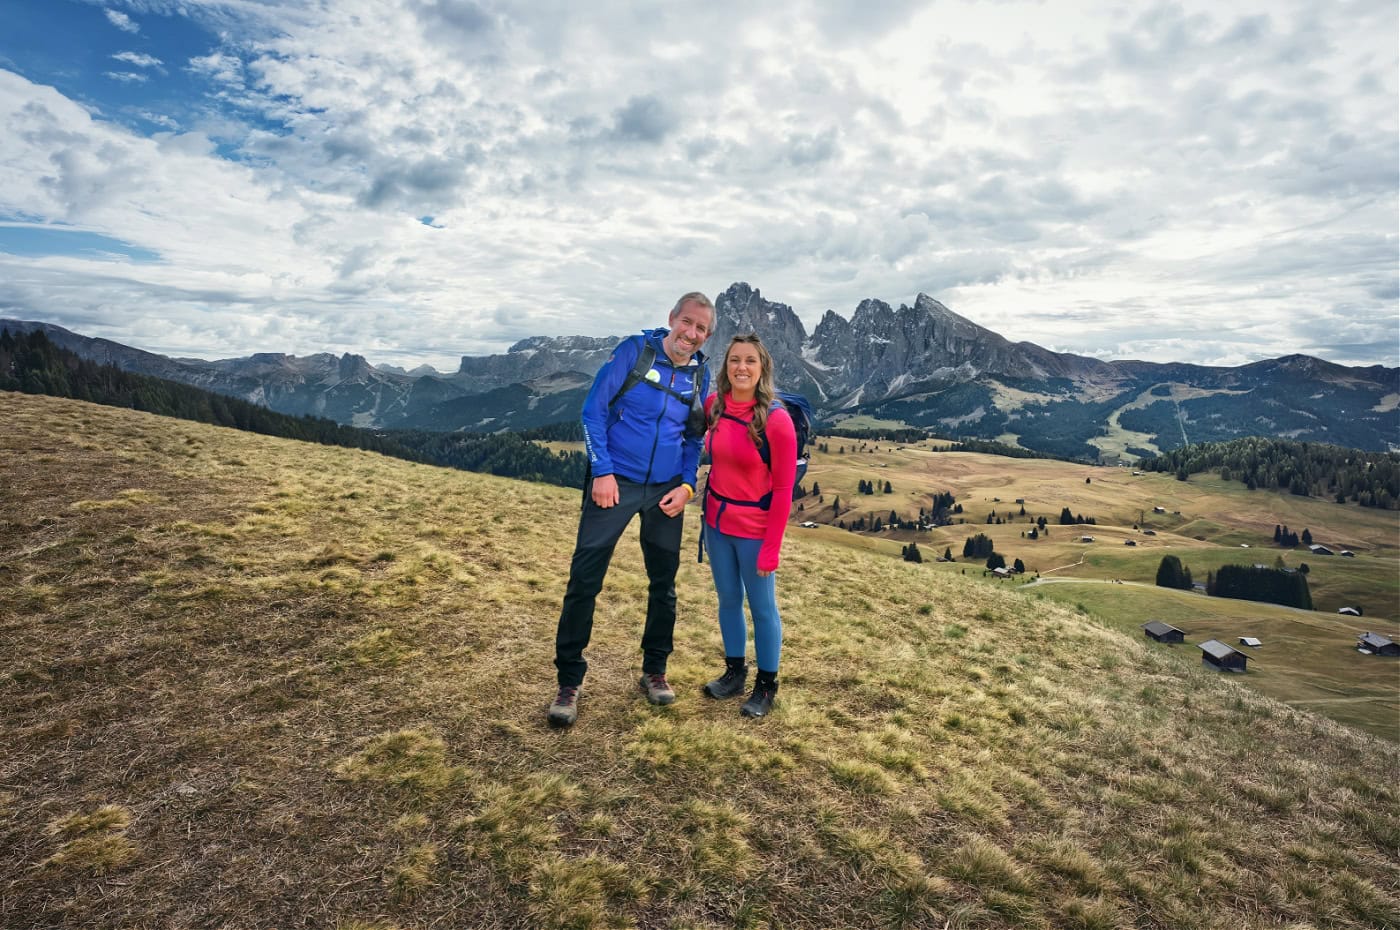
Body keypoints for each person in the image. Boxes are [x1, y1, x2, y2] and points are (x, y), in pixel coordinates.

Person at [547, 292, 714, 727]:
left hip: (664, 491)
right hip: (615, 483)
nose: (692, 334)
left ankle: (654, 672)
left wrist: (685, 484)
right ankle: (569, 680)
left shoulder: (701, 373)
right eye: (688, 323)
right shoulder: (634, 352)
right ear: (672, 319)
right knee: (585, 578)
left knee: (664, 585)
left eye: (701, 329)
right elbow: (592, 410)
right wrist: (602, 471)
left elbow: (695, 438)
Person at [699, 334, 795, 718]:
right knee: (727, 601)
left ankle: (767, 687)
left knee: (763, 609)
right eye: (734, 360)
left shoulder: (776, 420)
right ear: (726, 367)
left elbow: (785, 489)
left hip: (755, 531)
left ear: (762, 369)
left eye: (750, 361)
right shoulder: (715, 407)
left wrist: (772, 547)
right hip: (716, 525)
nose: (741, 367)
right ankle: (734, 672)